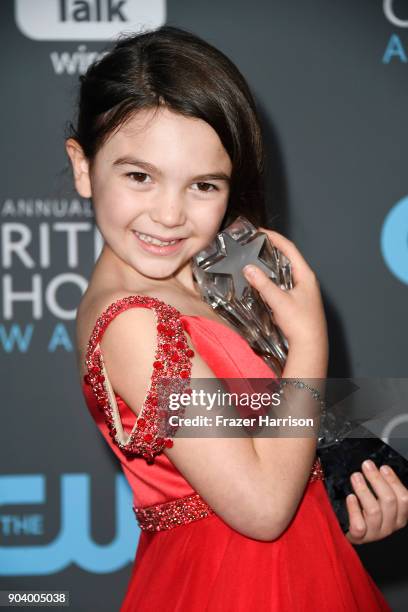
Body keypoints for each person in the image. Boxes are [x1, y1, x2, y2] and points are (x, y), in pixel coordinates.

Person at [65, 25, 407, 611]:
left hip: (299, 566)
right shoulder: (133, 324)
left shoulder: (206, 276)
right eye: (139, 176)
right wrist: (309, 338)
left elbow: (278, 442)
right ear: (82, 166)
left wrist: (344, 487)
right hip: (234, 584)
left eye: (202, 185)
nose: (169, 214)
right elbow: (263, 507)